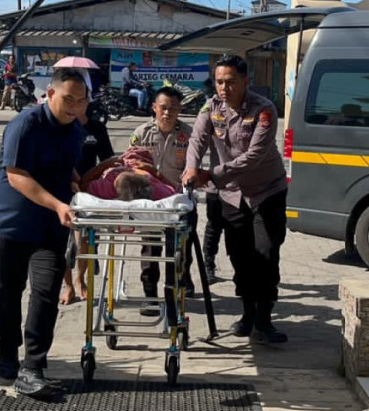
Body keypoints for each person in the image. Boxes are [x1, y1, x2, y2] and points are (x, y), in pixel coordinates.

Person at [0, 69, 89, 398]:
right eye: (68, 99)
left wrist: (74, 181)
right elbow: (16, 175)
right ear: (50, 95)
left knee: (45, 294)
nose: (73, 106)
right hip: (11, 224)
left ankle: (33, 366)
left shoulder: (75, 131)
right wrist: (58, 204)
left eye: (81, 100)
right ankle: (7, 353)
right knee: (7, 292)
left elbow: (65, 165)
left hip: (49, 228)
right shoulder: (24, 124)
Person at [182, 55, 289, 344]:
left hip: (266, 191)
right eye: (219, 82)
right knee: (241, 257)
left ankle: (265, 320)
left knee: (266, 255)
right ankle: (247, 314)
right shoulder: (210, 107)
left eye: (230, 82)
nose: (224, 88)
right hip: (230, 195)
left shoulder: (264, 109)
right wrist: (192, 167)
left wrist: (211, 175)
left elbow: (254, 156)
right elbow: (197, 140)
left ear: (245, 81)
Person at [129, 86, 197, 312]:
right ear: (154, 108)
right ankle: (150, 294)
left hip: (179, 200)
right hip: (150, 201)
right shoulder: (141, 133)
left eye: (173, 109)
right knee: (150, 248)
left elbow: (195, 164)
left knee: (180, 248)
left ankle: (179, 284)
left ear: (180, 110)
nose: (168, 113)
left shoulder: (189, 134)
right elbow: (129, 164)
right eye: (163, 108)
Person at [60, 101, 115, 305]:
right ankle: (68, 286)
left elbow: (108, 160)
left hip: (88, 191)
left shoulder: (96, 128)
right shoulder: (60, 127)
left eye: (80, 99)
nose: (75, 104)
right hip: (61, 189)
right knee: (62, 243)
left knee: (85, 240)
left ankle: (80, 279)